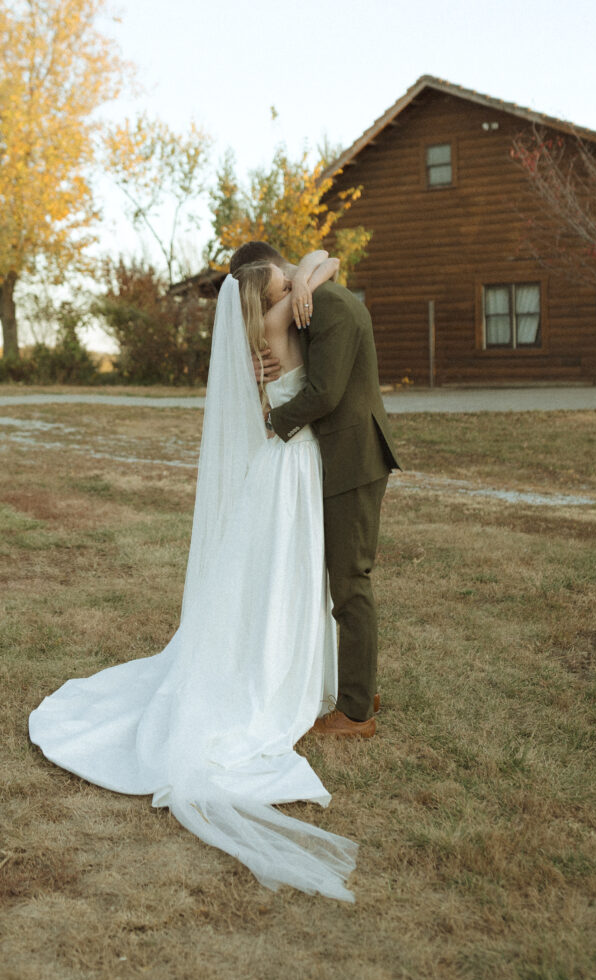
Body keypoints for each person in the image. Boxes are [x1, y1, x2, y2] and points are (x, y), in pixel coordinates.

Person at [29, 251, 360, 901]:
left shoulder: (269, 319)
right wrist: (312, 283)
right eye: (282, 280)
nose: (296, 276)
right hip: (292, 465)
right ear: (267, 298)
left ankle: (278, 658)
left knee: (273, 576)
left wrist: (305, 280)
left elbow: (321, 259)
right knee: (280, 577)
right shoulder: (283, 322)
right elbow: (325, 259)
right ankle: (271, 673)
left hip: (285, 463)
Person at [229, 242, 401, 736]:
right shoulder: (313, 299)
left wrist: (273, 416)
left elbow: (324, 393)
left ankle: (355, 713)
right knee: (332, 579)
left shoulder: (326, 306)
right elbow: (323, 256)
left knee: (349, 583)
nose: (275, 297)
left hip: (353, 459)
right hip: (336, 457)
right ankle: (357, 687)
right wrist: (306, 276)